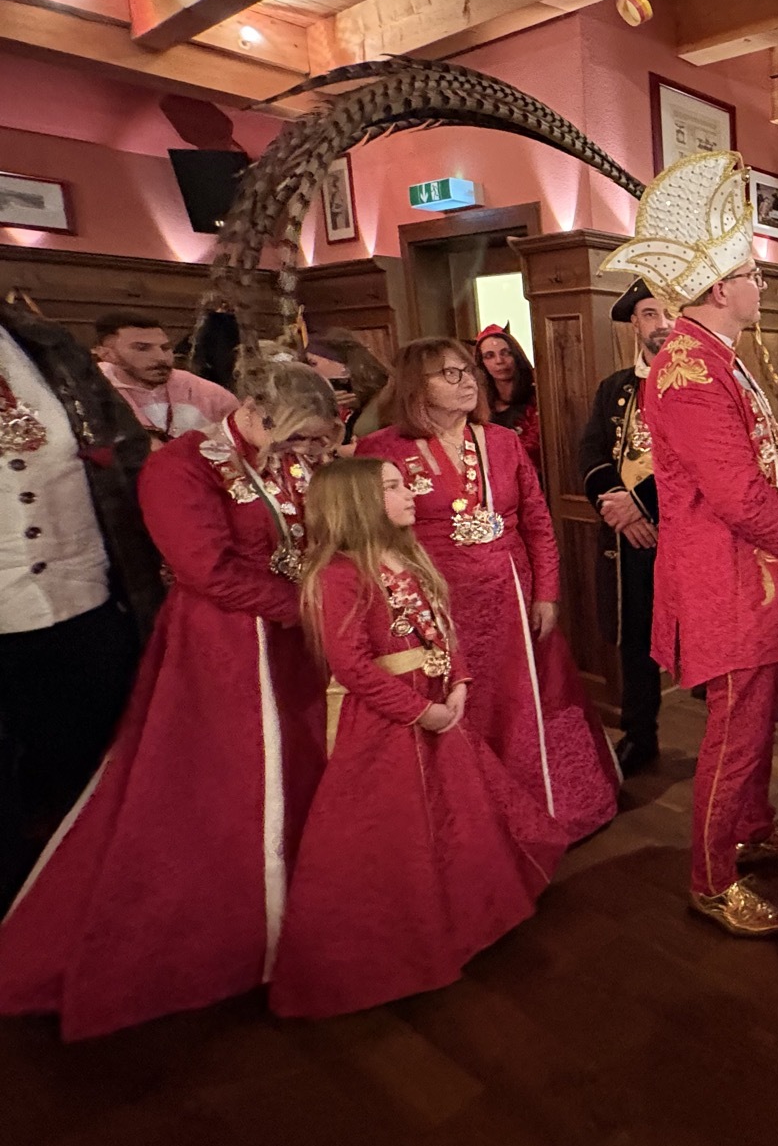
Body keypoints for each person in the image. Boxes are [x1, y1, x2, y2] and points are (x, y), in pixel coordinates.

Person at [0, 359, 340, 1040]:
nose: (303, 451)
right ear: (258, 411)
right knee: (228, 778)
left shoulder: (284, 458)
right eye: (297, 436)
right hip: (224, 642)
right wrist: (307, 606)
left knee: (300, 762)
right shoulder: (181, 467)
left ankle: (302, 900)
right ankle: (238, 922)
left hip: (292, 636)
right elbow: (205, 569)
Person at [601, 150, 778, 939]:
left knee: (758, 719)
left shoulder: (709, 358)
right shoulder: (693, 371)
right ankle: (711, 878)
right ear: (723, 287)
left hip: (747, 572)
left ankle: (753, 827)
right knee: (734, 732)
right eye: (756, 276)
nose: (764, 287)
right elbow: (736, 493)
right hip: (727, 577)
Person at [270, 459, 564, 1020]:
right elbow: (353, 666)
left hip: (436, 705)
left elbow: (442, 628)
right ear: (359, 503)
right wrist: (420, 711)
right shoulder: (339, 576)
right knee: (395, 828)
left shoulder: (405, 556)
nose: (411, 494)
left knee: (454, 813)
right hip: (388, 723)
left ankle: (467, 914)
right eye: (393, 487)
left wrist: (459, 680)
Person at [359, 342, 617, 845]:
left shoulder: (502, 441)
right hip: (438, 604)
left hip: (512, 599)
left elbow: (538, 521)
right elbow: (373, 537)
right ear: (415, 387)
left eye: (467, 371)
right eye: (448, 374)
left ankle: (553, 811)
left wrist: (547, 592)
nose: (467, 381)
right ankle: (479, 824)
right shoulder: (381, 450)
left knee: (529, 702)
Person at [0, 301, 164, 903]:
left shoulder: (48, 347)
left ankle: (93, 906)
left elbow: (127, 455)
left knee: (92, 772)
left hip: (87, 604)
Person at [579, 277, 675, 773]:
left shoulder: (699, 382)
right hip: (627, 534)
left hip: (682, 532)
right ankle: (641, 732)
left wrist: (640, 506)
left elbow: (693, 464)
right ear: (634, 324)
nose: (663, 324)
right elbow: (591, 454)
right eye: (651, 314)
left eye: (671, 312)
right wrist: (617, 507)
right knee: (635, 638)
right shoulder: (613, 387)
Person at [95, 309, 238, 445]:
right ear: (107, 355)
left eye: (165, 348)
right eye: (142, 348)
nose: (161, 358)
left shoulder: (208, 395)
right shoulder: (91, 394)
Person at [475, 325, 541, 478]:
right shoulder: (477, 404)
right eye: (489, 356)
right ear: (481, 363)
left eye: (506, 353)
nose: (499, 361)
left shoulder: (538, 397)